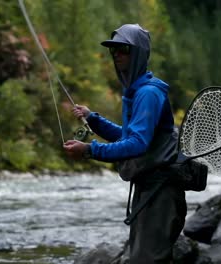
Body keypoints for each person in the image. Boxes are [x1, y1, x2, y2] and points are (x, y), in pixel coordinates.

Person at [63, 24, 186, 263]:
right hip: (150, 189)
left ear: (138, 53)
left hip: (161, 193)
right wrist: (93, 119)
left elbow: (137, 144)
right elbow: (128, 136)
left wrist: (89, 150)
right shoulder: (138, 92)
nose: (116, 54)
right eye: (113, 50)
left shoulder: (148, 94)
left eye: (123, 49)